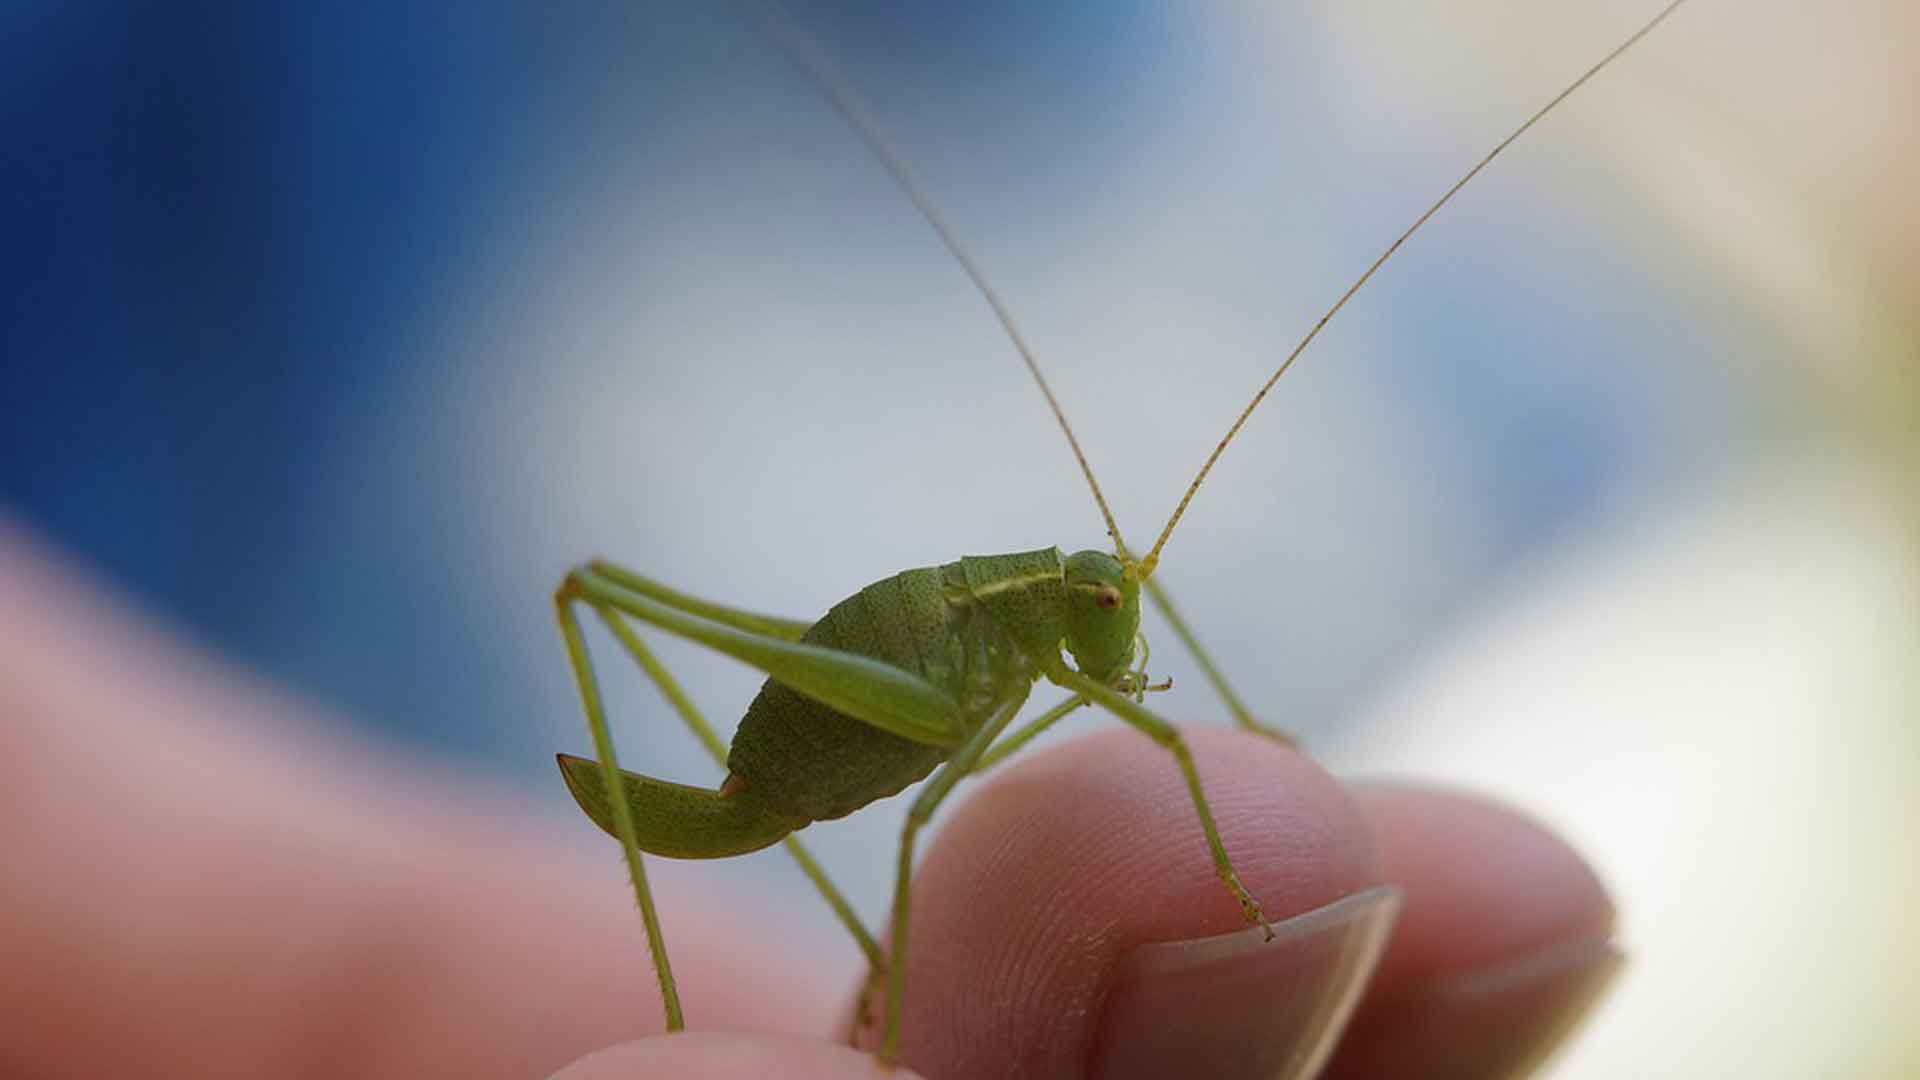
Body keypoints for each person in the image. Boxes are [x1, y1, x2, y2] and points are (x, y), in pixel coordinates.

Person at [0, 520, 1618, 1078]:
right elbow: (923, 816)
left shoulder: (1078, 611)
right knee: (936, 818)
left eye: (1116, 622)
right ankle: (670, 1014)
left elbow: (1140, 661)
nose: (1117, 639)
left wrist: (1245, 728)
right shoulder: (1009, 634)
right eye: (1105, 620)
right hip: (844, 727)